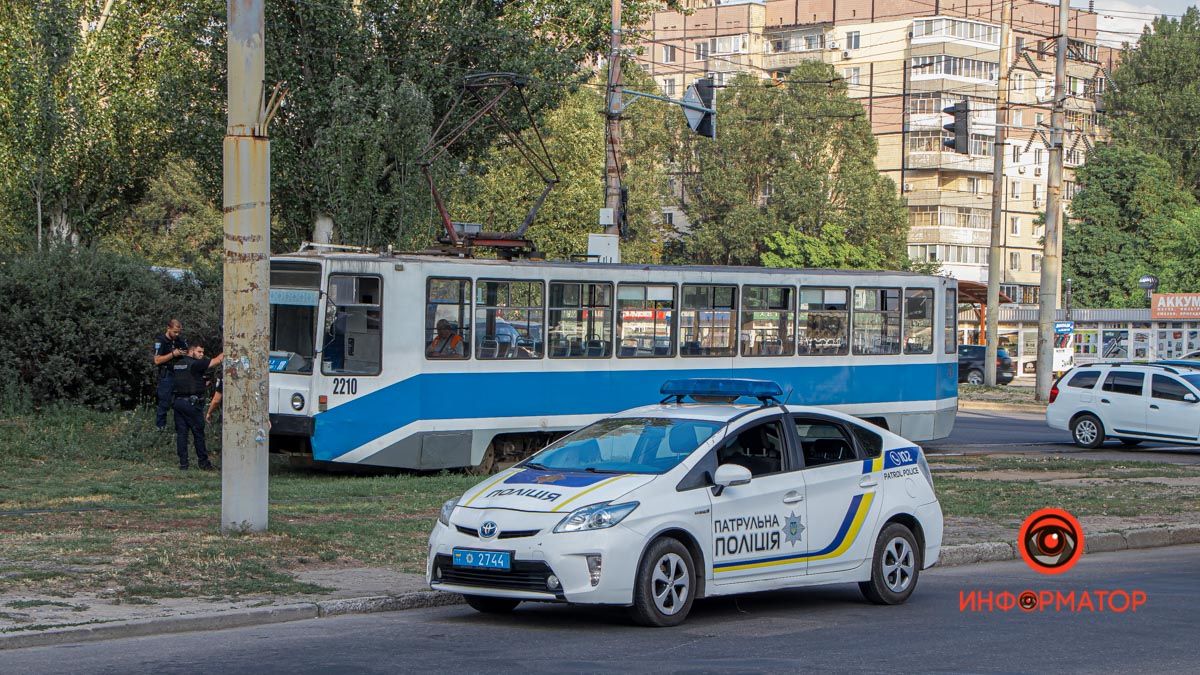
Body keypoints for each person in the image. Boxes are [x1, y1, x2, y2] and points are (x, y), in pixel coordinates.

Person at [171, 345, 224, 471]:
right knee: (198, 434)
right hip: (191, 404)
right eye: (199, 351)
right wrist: (231, 348)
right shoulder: (195, 364)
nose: (201, 355)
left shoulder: (178, 364)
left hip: (178, 403)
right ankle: (204, 463)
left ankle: (183, 465)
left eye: (203, 352)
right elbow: (217, 360)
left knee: (182, 434)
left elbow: (187, 380)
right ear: (191, 351)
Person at [152, 319, 188, 431]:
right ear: (168, 328)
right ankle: (160, 428)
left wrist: (184, 353)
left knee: (179, 402)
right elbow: (157, 360)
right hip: (166, 375)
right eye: (175, 332)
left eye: (179, 332)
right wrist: (173, 354)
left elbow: (186, 352)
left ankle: (180, 428)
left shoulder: (179, 341)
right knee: (164, 402)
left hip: (179, 375)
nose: (177, 335)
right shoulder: (161, 341)